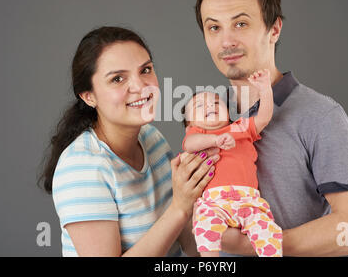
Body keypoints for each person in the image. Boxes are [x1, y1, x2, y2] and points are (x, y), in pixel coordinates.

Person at [193, 0, 348, 256]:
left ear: (274, 29)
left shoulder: (321, 115)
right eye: (214, 28)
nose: (226, 41)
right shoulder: (208, 114)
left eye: (240, 24)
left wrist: (258, 244)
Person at [38, 26, 220, 256]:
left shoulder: (152, 139)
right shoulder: (81, 166)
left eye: (145, 70)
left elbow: (189, 239)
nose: (140, 86)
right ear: (88, 96)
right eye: (117, 79)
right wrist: (180, 208)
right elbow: (178, 214)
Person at [182, 69, 283, 257]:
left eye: (215, 102)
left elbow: (264, 117)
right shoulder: (198, 134)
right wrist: (215, 141)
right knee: (204, 227)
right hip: (214, 203)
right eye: (199, 106)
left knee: (269, 232)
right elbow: (189, 144)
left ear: (228, 113)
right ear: (190, 124)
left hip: (250, 201)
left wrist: (265, 90)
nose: (209, 106)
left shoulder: (240, 128)